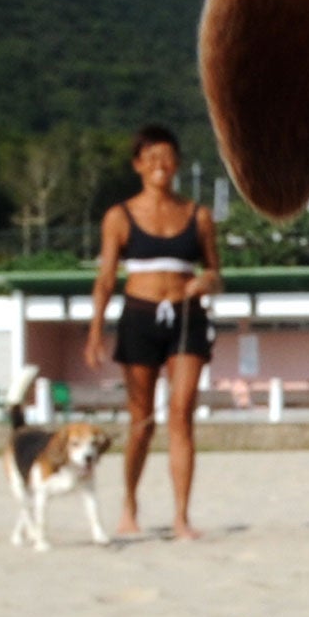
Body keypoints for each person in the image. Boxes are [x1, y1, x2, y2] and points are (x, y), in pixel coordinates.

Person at [84, 125, 222, 540]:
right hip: (139, 317)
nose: (160, 165)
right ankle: (129, 506)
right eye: (151, 157)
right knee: (141, 420)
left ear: (178, 163)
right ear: (138, 165)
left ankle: (182, 517)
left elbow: (217, 273)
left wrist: (205, 282)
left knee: (181, 415)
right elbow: (106, 279)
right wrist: (95, 331)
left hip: (186, 318)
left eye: (167, 157)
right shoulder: (119, 217)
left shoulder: (198, 216)